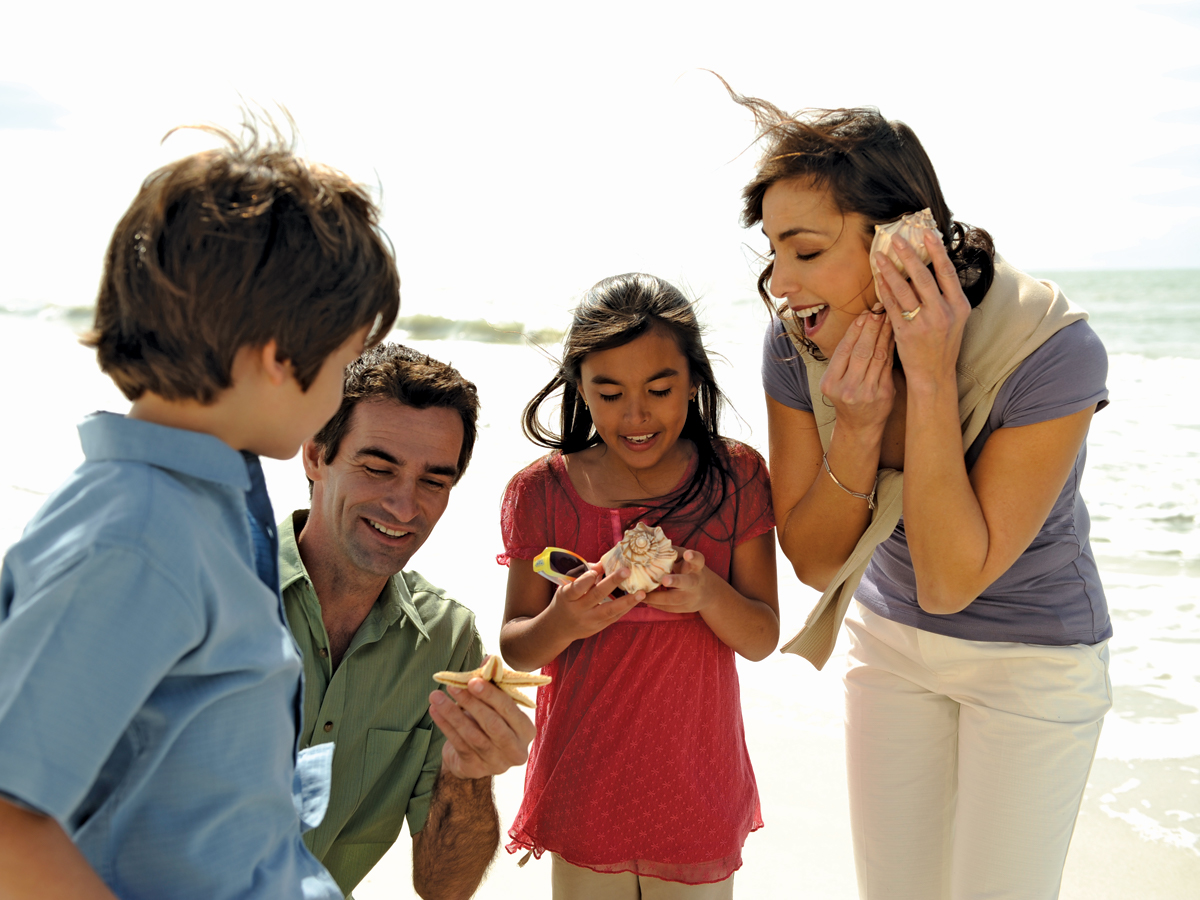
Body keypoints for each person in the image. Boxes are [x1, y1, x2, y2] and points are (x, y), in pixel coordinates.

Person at [0, 117, 399, 899]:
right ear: (282, 357)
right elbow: (10, 819)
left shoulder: (202, 504)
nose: (344, 390)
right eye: (350, 362)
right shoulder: (138, 532)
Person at [732, 86, 1113, 900]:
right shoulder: (798, 343)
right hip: (890, 646)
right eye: (774, 252)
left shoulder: (1050, 350)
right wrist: (860, 427)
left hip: (1033, 665)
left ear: (901, 242)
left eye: (805, 250)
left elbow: (950, 580)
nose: (782, 285)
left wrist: (931, 375)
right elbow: (812, 560)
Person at [498, 273, 779, 899]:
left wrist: (710, 596)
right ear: (579, 388)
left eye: (659, 388)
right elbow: (518, 646)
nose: (636, 414)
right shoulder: (542, 491)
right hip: (585, 784)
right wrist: (565, 621)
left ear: (694, 380)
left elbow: (761, 636)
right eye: (609, 392)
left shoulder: (735, 478)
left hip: (694, 790)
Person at [283, 342, 536, 899]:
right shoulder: (210, 587)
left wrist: (469, 773)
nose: (403, 505)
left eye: (433, 481)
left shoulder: (446, 644)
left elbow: (444, 888)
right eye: (378, 468)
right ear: (314, 455)